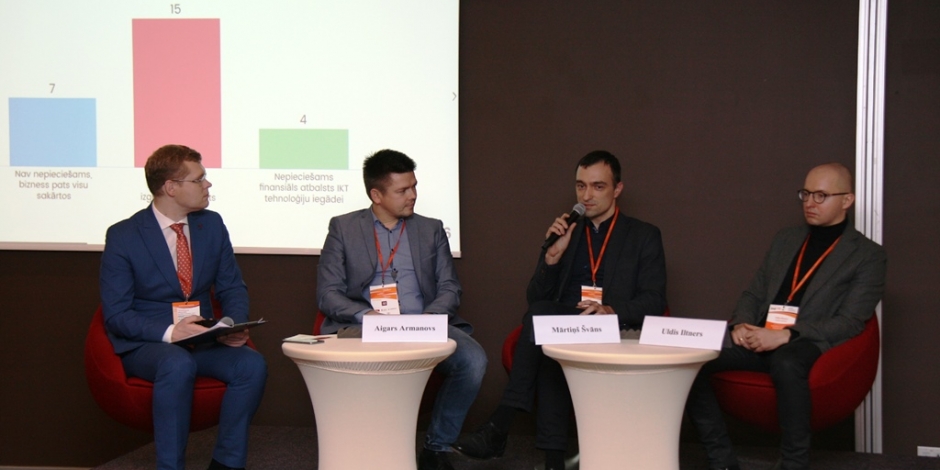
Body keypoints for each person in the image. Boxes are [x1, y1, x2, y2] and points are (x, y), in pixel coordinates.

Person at [453, 150, 667, 470]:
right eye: (581, 186)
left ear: (617, 189)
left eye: (598, 186)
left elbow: (654, 300)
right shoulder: (568, 232)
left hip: (611, 328)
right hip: (565, 326)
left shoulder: (643, 235)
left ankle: (501, 425)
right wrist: (551, 258)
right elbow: (535, 298)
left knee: (544, 331)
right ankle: (552, 461)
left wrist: (610, 309)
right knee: (548, 339)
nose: (586, 196)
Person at [685, 163, 887, 470]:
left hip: (806, 341)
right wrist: (741, 324)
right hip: (759, 335)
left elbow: (851, 321)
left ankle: (794, 463)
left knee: (787, 362)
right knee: (691, 359)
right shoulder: (786, 239)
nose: (810, 203)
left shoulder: (868, 255)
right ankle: (721, 459)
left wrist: (786, 335)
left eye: (821, 196)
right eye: (806, 194)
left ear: (847, 200)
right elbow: (753, 293)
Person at [316, 149, 487, 470]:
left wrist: (429, 320)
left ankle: (437, 447)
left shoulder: (431, 229)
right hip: (365, 328)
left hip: (423, 325)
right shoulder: (343, 228)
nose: (413, 196)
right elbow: (327, 294)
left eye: (414, 186)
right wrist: (366, 315)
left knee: (473, 360)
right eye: (403, 190)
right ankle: (358, 450)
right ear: (376, 195)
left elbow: (450, 287)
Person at [99, 144, 267, 470]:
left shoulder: (211, 225)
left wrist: (231, 325)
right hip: (150, 344)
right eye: (199, 179)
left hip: (202, 339)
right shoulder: (124, 235)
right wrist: (170, 332)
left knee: (251, 365)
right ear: (171, 187)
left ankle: (227, 463)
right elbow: (117, 315)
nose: (208, 184)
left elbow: (232, 287)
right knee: (176, 363)